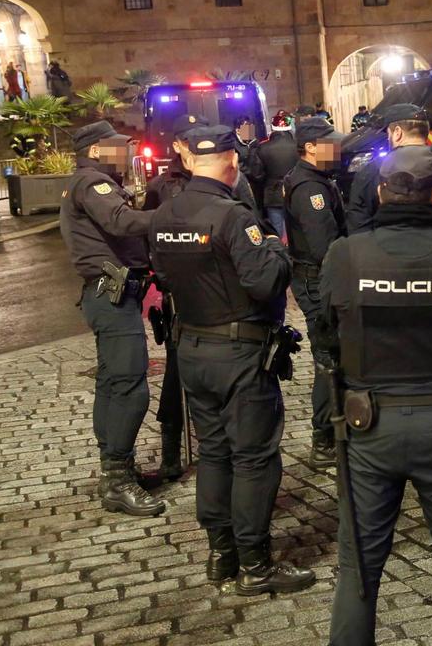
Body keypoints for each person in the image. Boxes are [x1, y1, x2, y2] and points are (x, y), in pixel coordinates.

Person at [320, 147, 432, 646]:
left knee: (359, 564)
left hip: (368, 424)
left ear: (380, 193)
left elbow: (325, 334)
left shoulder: (345, 253)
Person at [148, 125, 315, 595]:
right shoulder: (233, 217)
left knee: (215, 454)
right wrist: (279, 253)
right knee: (254, 458)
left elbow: (162, 274)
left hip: (193, 350)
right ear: (232, 161)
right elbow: (264, 283)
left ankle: (221, 555)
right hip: (239, 353)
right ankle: (256, 565)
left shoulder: (164, 214)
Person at [142, 114, 259, 481]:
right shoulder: (162, 187)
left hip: (222, 311)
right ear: (179, 149)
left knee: (221, 430)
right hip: (186, 310)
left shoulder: (234, 187)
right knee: (177, 386)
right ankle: (171, 452)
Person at [59, 120, 165, 517]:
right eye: (118, 147)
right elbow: (121, 222)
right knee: (128, 386)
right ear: (97, 151)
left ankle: (118, 468)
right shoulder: (92, 183)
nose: (127, 152)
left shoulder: (88, 182)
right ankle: (117, 481)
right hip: (111, 296)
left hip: (108, 293)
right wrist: (172, 216)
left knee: (111, 384)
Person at [282, 117, 346, 469]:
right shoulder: (311, 189)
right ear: (310, 147)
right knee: (329, 359)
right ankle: (324, 440)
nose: (337, 149)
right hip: (317, 280)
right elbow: (326, 248)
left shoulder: (312, 178)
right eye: (330, 143)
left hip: (313, 277)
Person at [346, 104, 432, 234]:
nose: (388, 137)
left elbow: (358, 228)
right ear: (426, 131)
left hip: (383, 255)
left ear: (397, 133)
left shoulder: (369, 174)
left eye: (388, 133)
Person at [248, 111, 297, 238]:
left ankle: (280, 255)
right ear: (290, 127)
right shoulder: (298, 146)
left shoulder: (262, 148)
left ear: (272, 128)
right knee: (296, 228)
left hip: (272, 193)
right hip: (295, 191)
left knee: (276, 229)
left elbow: (257, 174)